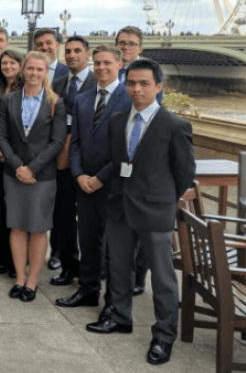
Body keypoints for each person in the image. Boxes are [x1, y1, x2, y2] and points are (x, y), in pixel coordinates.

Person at [86, 59, 195, 367]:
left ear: (159, 87)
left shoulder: (175, 125)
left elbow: (184, 173)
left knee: (162, 279)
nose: (137, 89)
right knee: (119, 268)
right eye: (131, 83)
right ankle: (120, 317)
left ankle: (163, 336)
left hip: (155, 211)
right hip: (120, 207)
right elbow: (119, 163)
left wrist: (162, 200)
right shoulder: (118, 120)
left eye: (144, 83)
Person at [57, 45, 131, 314]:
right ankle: (88, 291)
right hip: (84, 184)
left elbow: (128, 148)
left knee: (115, 249)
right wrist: (78, 174)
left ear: (119, 64)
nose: (101, 68)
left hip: (113, 186)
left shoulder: (129, 98)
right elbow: (74, 141)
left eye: (107, 63)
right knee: (87, 241)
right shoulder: (83, 99)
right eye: (97, 63)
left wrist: (99, 178)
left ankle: (114, 304)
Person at [0, 51, 66, 302]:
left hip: (42, 176)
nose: (34, 73)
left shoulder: (55, 102)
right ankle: (19, 278)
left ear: (46, 72)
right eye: (30, 68)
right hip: (13, 173)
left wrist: (32, 168)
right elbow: (2, 136)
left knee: (37, 228)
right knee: (16, 226)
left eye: (40, 69)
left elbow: (57, 141)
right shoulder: (10, 100)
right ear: (23, 70)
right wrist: (17, 166)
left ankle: (33, 281)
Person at [49, 36, 96, 285]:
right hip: (63, 161)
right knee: (64, 218)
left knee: (89, 223)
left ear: (87, 54)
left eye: (78, 51)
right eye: (68, 51)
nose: (72, 55)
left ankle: (90, 271)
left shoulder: (97, 82)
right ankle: (68, 268)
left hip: (90, 164)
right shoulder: (56, 84)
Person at [115, 25, 158, 293]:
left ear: (140, 47)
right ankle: (120, 271)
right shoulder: (113, 72)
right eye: (122, 43)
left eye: (131, 43)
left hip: (139, 156)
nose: (126, 47)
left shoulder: (149, 76)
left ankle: (139, 276)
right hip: (117, 154)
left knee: (141, 224)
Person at [0, 49, 24, 278]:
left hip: (18, 157)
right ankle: (0, 258)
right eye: (4, 63)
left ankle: (17, 260)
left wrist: (10, 152)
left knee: (17, 211)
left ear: (20, 65)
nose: (8, 66)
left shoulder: (26, 90)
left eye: (13, 63)